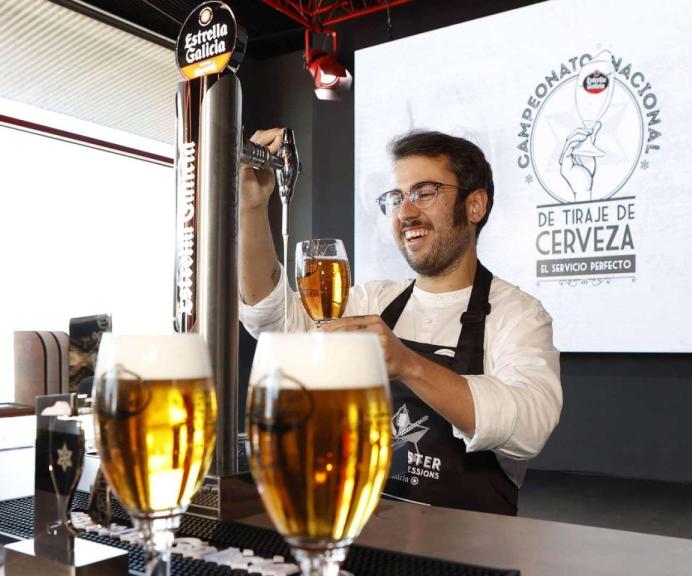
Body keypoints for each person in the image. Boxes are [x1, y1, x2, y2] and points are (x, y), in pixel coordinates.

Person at [238, 128, 562, 516]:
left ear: (474, 205)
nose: (406, 213)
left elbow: (529, 427)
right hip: (362, 535)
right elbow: (274, 322)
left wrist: (406, 363)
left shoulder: (519, 315)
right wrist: (252, 209)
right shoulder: (374, 300)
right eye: (396, 198)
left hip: (470, 551)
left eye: (425, 193)